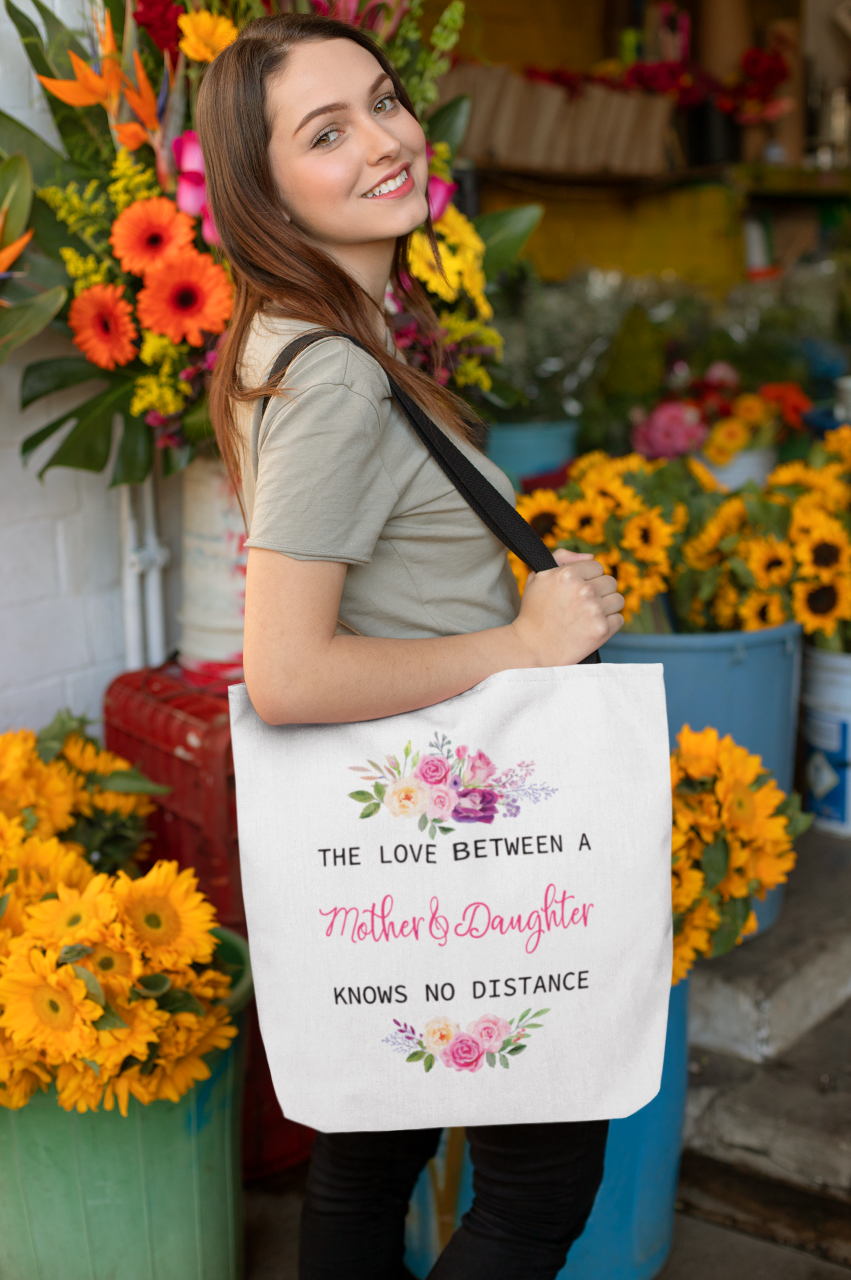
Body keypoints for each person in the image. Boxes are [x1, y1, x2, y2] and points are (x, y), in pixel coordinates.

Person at [198, 15, 624, 1279]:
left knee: (369, 1162)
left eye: (384, 102)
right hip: (457, 848)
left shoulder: (303, 342)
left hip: (402, 843)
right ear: (263, 187)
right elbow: (287, 672)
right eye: (326, 132)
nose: (386, 139)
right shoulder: (331, 374)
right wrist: (523, 639)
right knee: (539, 1187)